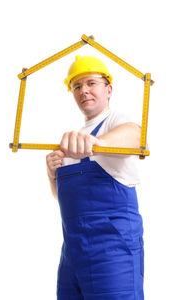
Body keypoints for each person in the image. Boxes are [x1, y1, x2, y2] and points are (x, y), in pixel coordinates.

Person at [46, 55, 145, 300]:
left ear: (108, 89)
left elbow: (136, 136)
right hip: (72, 251)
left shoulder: (115, 122)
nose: (84, 91)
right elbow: (65, 198)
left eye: (91, 83)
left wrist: (98, 143)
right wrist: (51, 175)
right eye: (77, 86)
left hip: (112, 251)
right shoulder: (76, 136)